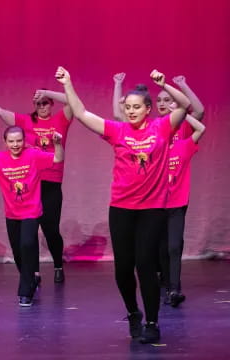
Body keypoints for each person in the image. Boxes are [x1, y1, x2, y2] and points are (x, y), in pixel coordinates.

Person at [55, 66, 190, 344]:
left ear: (148, 109)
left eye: (136, 107)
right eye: (127, 107)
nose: (130, 111)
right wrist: (68, 83)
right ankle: (132, 313)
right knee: (123, 268)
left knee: (145, 265)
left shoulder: (162, 128)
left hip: (152, 209)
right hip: (121, 208)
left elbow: (186, 105)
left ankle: (152, 321)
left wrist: (166, 83)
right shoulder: (117, 131)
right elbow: (81, 114)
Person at [0, 85, 73, 283]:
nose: (41, 106)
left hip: (51, 182)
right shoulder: (25, 121)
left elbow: (72, 100)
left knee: (50, 230)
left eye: (45, 103)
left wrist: (46, 92)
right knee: (28, 234)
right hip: (30, 183)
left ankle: (58, 264)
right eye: (38, 103)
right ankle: (34, 273)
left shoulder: (60, 120)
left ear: (51, 104)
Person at [112, 73, 205, 302]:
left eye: (167, 100)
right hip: (152, 200)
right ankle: (159, 285)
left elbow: (198, 112)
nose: (164, 104)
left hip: (175, 199)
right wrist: (118, 85)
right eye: (160, 101)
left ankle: (174, 287)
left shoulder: (177, 127)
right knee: (155, 249)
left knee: (173, 246)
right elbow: (118, 115)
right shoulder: (150, 128)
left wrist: (181, 85)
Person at [0, 125, 63, 306]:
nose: (15, 144)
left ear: (24, 141)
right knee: (18, 252)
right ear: (5, 142)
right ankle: (32, 277)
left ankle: (25, 292)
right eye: (11, 141)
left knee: (27, 244)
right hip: (11, 214)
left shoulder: (33, 155)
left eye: (19, 140)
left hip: (31, 211)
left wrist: (58, 144)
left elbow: (57, 158)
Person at [164, 108, 205, 307]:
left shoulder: (183, 146)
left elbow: (200, 128)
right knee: (159, 248)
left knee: (174, 246)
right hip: (155, 204)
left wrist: (182, 113)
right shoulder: (155, 146)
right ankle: (164, 284)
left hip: (177, 204)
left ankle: (174, 289)